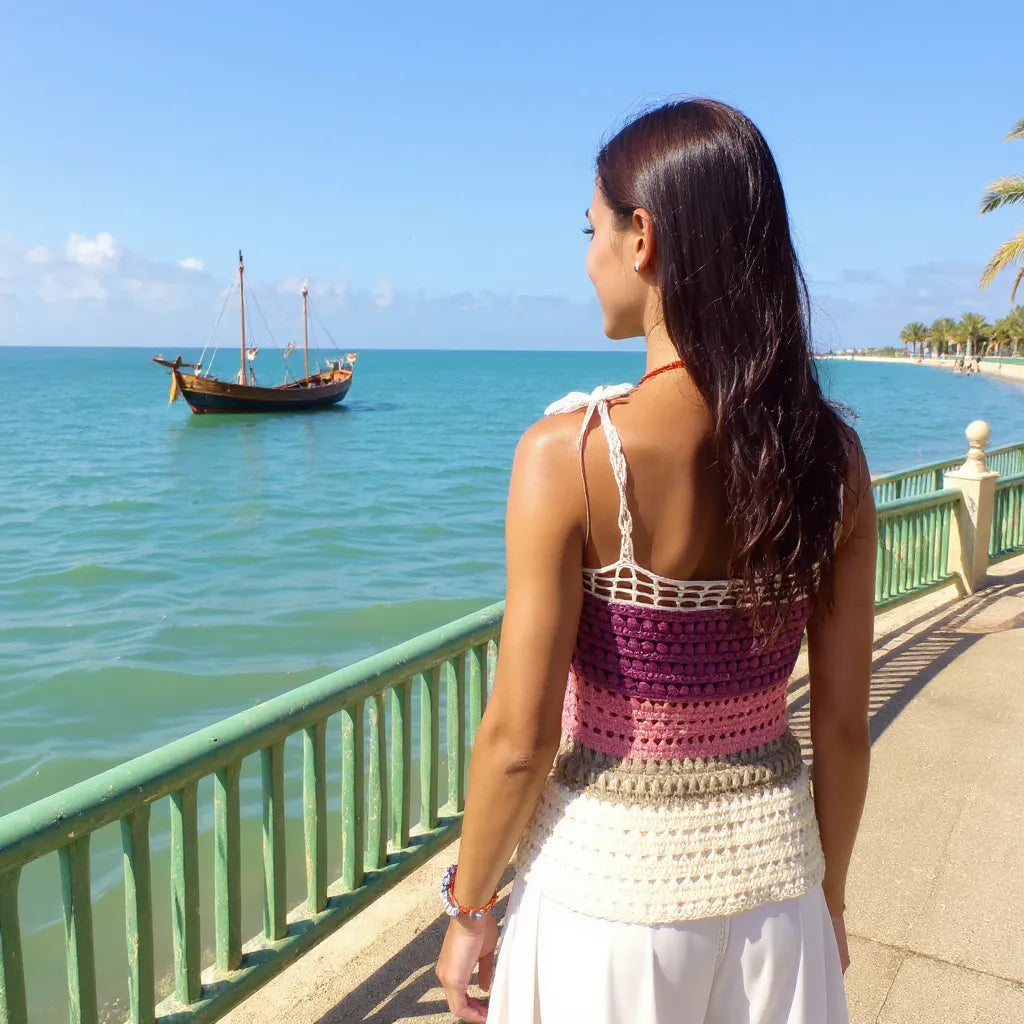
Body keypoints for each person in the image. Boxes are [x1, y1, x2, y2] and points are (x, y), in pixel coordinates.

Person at [434, 98, 874, 1023]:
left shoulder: (570, 457)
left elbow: (519, 740)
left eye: (590, 227)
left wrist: (469, 907)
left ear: (643, 238)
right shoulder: (832, 461)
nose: (587, 255)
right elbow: (839, 727)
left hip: (609, 900)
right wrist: (826, 899)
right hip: (779, 893)